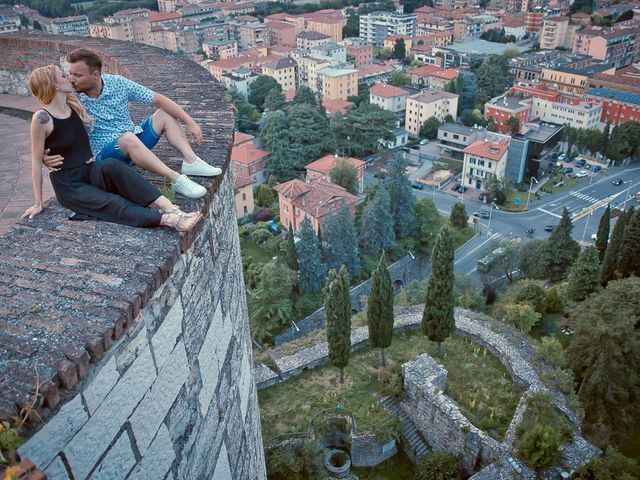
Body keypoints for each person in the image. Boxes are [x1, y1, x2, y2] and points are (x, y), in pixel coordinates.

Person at [23, 64, 202, 232]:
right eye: (63, 76)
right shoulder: (41, 118)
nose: (69, 78)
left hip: (89, 170)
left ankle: (172, 209)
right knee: (113, 202)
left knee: (113, 165)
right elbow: (35, 161)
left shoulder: (73, 104)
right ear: (54, 85)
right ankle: (170, 221)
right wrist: (38, 201)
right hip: (69, 184)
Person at [43, 48, 221, 199]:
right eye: (69, 74)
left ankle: (191, 161)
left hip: (134, 141)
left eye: (77, 75)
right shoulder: (71, 98)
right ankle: (176, 179)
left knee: (164, 113)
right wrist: (44, 156)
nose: (71, 79)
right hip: (106, 157)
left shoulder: (118, 83)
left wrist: (190, 122)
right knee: (127, 138)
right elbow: (46, 123)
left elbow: (158, 99)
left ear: (95, 75)